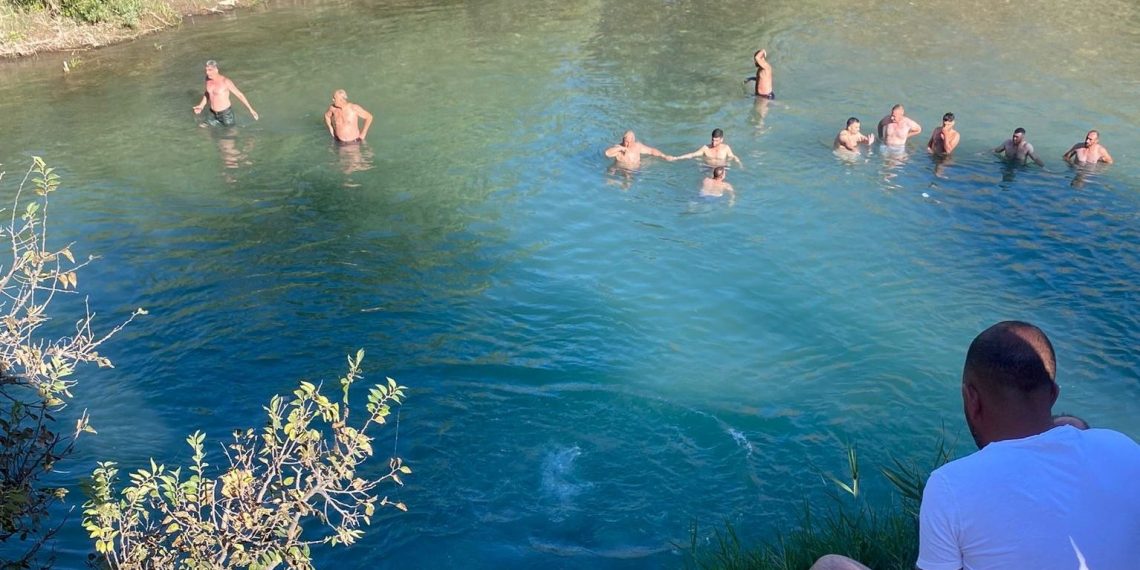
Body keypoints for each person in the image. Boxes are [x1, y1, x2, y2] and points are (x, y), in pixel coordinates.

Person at [811, 321, 1140, 570]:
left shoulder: (951, 487)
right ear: (1053, 395)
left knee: (830, 566)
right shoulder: (1124, 449)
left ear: (971, 398)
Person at [192, 60, 259, 127]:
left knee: (229, 135)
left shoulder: (226, 82)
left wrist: (251, 110)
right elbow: (208, 92)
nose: (207, 72)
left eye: (210, 70)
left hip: (226, 115)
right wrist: (201, 106)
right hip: (212, 113)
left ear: (216, 70)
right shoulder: (208, 79)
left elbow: (239, 95)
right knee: (202, 128)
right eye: (206, 70)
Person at [671, 128, 743, 167]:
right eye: (712, 140)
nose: (714, 143)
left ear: (722, 139)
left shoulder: (726, 148)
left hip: (720, 171)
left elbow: (733, 156)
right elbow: (692, 155)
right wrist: (677, 158)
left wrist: (739, 164)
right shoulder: (705, 148)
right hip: (707, 169)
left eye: (716, 141)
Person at [604, 131, 671, 169]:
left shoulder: (637, 146)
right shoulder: (618, 148)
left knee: (655, 163)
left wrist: (664, 156)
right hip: (622, 169)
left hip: (637, 170)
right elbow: (607, 153)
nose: (628, 144)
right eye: (626, 141)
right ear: (623, 140)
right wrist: (621, 148)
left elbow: (651, 151)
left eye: (630, 142)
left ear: (634, 140)